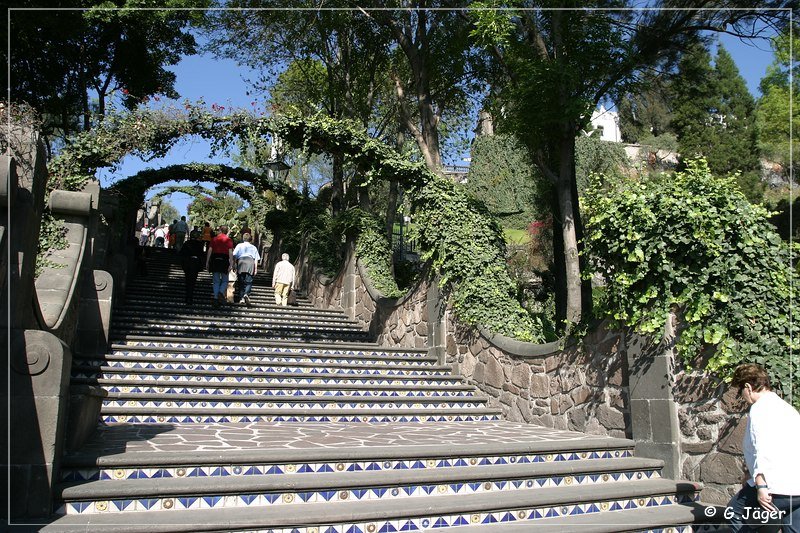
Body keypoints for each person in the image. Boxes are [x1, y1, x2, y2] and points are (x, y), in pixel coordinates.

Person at [727, 363, 800, 533]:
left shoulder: (760, 409)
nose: (742, 396)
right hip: (797, 486)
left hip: (776, 486)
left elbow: (763, 449)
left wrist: (760, 486)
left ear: (748, 387)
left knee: (735, 511)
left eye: (740, 391)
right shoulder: (787, 408)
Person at [205, 225, 234, 306]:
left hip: (215, 260)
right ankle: (220, 292)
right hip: (224, 260)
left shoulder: (214, 239)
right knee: (225, 280)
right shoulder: (229, 240)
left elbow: (210, 251)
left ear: (220, 230)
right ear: (227, 231)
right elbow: (230, 253)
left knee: (216, 281)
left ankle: (215, 297)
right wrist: (231, 264)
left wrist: (207, 262)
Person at [232, 233, 261, 306]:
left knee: (241, 281)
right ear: (250, 239)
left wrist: (234, 264)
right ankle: (246, 293)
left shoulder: (239, 245)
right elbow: (256, 259)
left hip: (241, 262)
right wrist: (256, 268)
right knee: (249, 281)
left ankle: (241, 298)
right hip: (250, 262)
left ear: (243, 238)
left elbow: (234, 255)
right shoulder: (253, 247)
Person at [179, 230, 204, 305]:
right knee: (192, 281)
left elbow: (182, 254)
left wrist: (183, 264)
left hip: (187, 263)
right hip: (195, 263)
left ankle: (188, 297)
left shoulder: (186, 243)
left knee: (187, 280)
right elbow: (201, 255)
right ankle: (190, 297)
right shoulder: (199, 244)